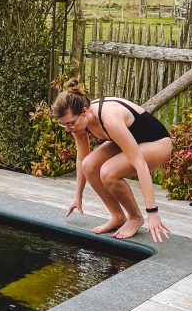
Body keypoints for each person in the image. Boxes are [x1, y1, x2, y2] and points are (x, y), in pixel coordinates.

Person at [51, 80, 172, 242]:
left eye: (70, 123)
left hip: (157, 143)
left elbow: (140, 164)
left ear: (84, 111)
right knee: (89, 165)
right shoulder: (77, 122)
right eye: (63, 125)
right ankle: (117, 216)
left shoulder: (109, 118)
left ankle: (135, 217)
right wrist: (78, 196)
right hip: (133, 141)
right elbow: (82, 159)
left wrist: (153, 213)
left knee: (108, 172)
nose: (68, 129)